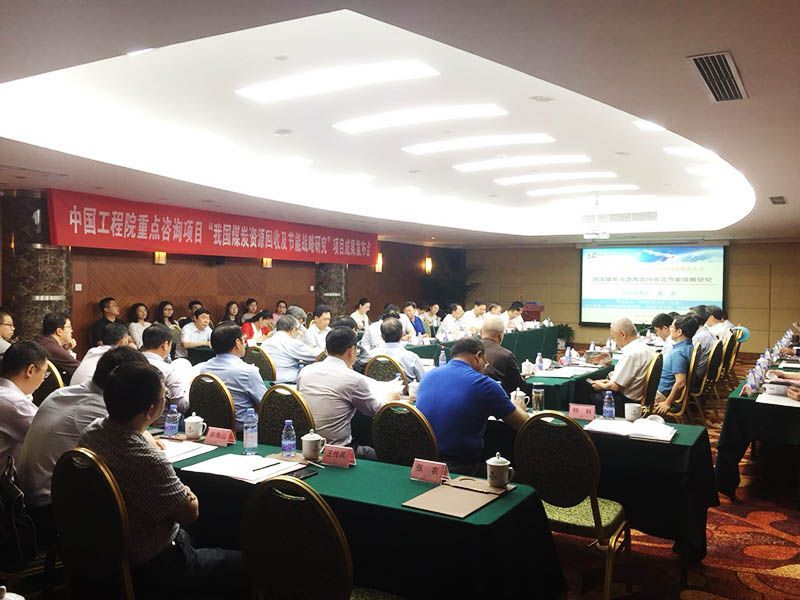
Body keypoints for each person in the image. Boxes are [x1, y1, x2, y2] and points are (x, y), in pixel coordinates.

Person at [78, 363, 244, 598]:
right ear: (151, 409)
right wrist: (186, 490)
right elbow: (190, 513)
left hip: (103, 551)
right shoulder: (147, 460)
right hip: (157, 562)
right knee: (246, 563)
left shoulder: (92, 432)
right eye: (164, 395)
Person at [18, 346, 147, 548]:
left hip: (28, 500)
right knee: (142, 501)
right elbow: (141, 449)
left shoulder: (63, 393)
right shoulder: (99, 408)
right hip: (50, 513)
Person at [415, 337, 528, 475]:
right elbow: (523, 424)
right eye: (485, 363)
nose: (484, 367)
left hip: (424, 462)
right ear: (478, 356)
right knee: (520, 477)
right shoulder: (484, 384)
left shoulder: (428, 376)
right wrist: (518, 405)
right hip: (461, 467)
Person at [298, 327, 392, 454]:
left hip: (307, 445)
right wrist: (390, 398)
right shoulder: (354, 379)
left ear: (326, 349)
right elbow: (376, 411)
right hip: (339, 451)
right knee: (379, 454)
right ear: (351, 351)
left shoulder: (305, 371)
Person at [194, 324, 266, 431]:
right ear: (238, 343)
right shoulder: (248, 371)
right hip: (244, 429)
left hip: (213, 427)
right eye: (243, 339)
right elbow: (265, 403)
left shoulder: (205, 369)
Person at [588, 318, 655, 414]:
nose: (615, 342)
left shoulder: (631, 353)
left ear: (623, 334)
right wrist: (607, 382)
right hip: (638, 399)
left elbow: (615, 387)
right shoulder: (647, 349)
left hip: (625, 402)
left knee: (583, 394)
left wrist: (601, 385)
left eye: (614, 338)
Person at [0, 341, 48, 463]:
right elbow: (48, 438)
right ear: (30, 370)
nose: (43, 379)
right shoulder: (15, 404)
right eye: (44, 373)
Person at [141, 324, 191, 424]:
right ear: (165, 345)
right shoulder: (168, 370)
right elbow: (182, 406)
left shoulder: (130, 362)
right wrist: (189, 385)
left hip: (131, 421)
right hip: (162, 425)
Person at [654, 314, 700, 415]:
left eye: (672, 326)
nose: (670, 329)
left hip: (660, 393)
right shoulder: (688, 345)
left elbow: (680, 382)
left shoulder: (678, 353)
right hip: (662, 388)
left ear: (679, 332)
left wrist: (667, 403)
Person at [259, 315, 319, 383]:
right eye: (298, 329)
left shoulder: (266, 342)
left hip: (266, 381)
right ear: (293, 330)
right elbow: (317, 355)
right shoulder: (292, 343)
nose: (298, 332)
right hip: (287, 381)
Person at [480, 315, 529, 396]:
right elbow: (518, 386)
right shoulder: (505, 355)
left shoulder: (468, 352)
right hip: (498, 400)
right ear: (500, 335)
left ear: (481, 332)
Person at [378, 318, 426, 382]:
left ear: (381, 336)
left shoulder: (372, 356)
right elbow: (423, 381)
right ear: (402, 334)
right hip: (405, 388)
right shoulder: (412, 357)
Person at [36, 312, 80, 380]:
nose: (72, 331)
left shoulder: (43, 341)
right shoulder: (53, 348)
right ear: (59, 331)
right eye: (69, 327)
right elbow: (81, 370)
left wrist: (65, 349)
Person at [688, 306, 716, 380]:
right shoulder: (705, 332)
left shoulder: (699, 337)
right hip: (703, 371)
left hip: (695, 375)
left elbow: (688, 360)